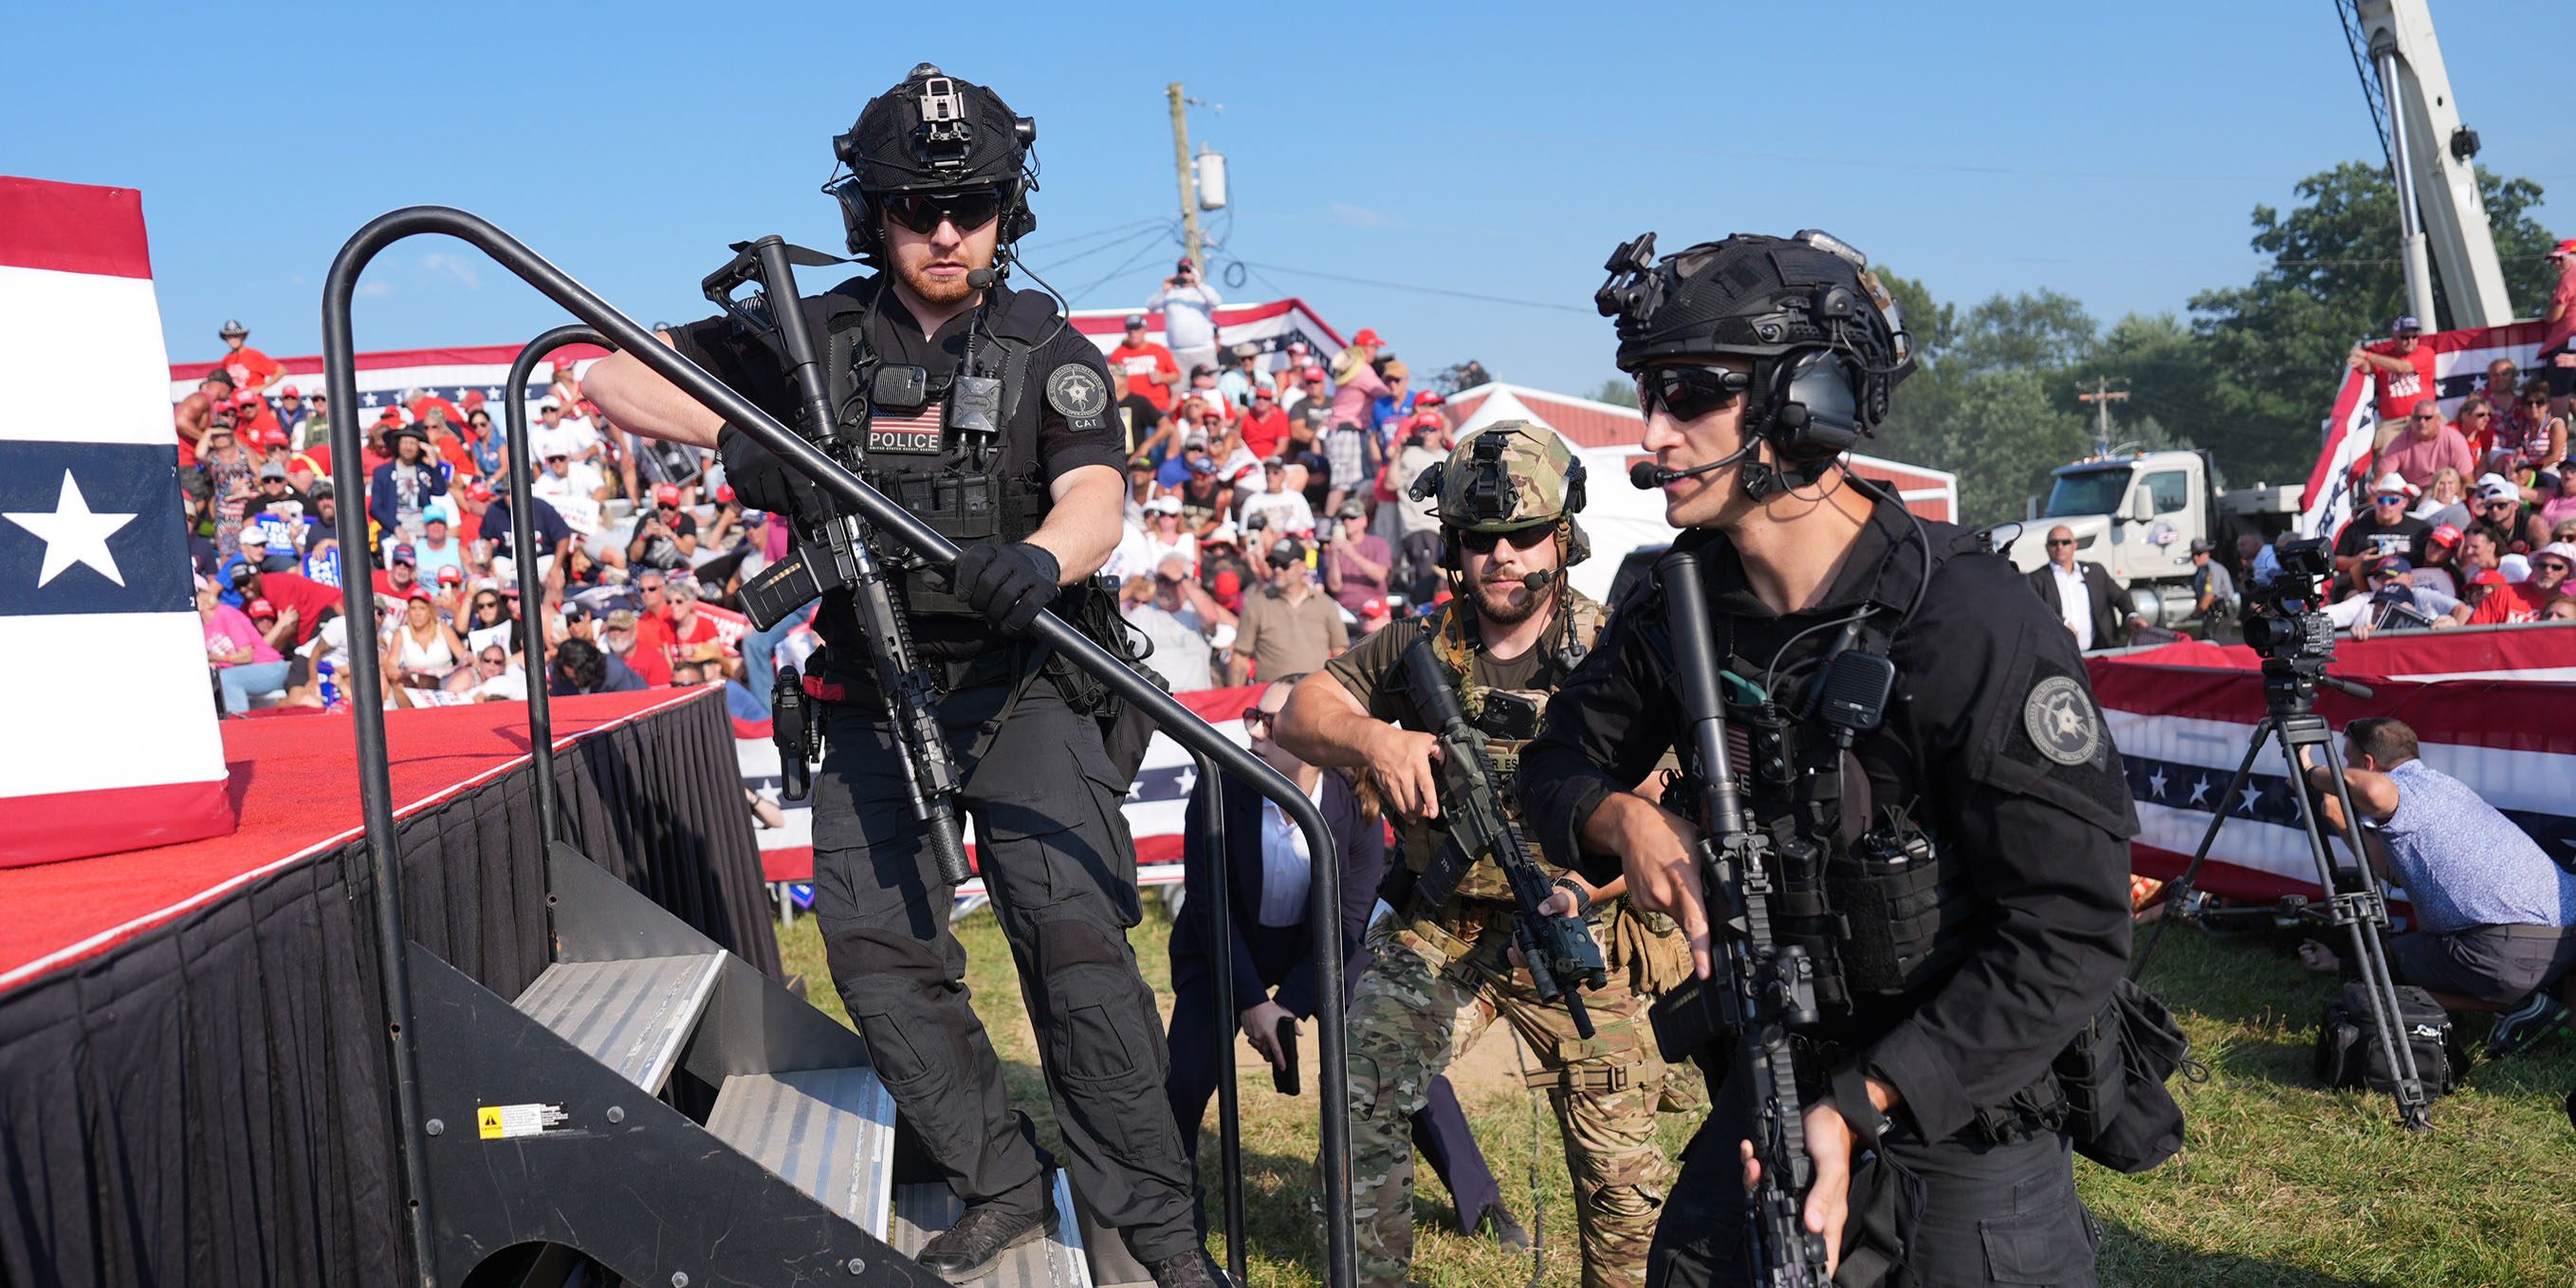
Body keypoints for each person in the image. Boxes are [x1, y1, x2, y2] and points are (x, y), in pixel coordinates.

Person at [580, 64, 1218, 1287]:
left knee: (1076, 952)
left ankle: (1157, 1237)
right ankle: (1000, 1180)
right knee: (875, 959)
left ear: (1005, 212)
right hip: (871, 693)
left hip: (1024, 682)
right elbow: (608, 373)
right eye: (915, 209)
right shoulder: (806, 333)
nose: (942, 231)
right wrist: (738, 433)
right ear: (867, 216)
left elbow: (1097, 494)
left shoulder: (1048, 349)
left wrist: (1038, 556)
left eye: (970, 206)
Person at [1524, 230, 2137, 1287]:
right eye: (1648, 395)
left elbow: (2071, 932)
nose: (1654, 434)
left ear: (1801, 400)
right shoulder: (1677, 604)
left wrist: (1861, 1104)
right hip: (1768, 1078)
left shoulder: (1970, 619)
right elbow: (1550, 769)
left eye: (1690, 396)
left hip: (1958, 1114)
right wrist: (1616, 816)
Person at [1275, 420, 1676, 1288]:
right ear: (1455, 546)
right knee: (1361, 1100)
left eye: (1524, 536)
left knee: (1623, 1178)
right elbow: (1300, 713)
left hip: (1579, 939)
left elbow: (1666, 805)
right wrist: (1376, 739)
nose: (1504, 558)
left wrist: (1592, 876)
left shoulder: (1617, 648)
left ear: (1561, 540)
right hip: (1443, 930)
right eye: (1482, 540)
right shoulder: (1418, 646)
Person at [1164, 679, 1522, 1247]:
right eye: (1252, 715)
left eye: (1269, 719)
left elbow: (1348, 920)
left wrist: (1292, 1003)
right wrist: (1255, 1001)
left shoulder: (1355, 806)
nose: (1252, 728)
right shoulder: (1219, 790)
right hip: (1227, 949)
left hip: (1326, 949)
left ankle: (1482, 1200)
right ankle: (1167, 1207)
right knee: (1184, 1071)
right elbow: (1211, 910)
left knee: (1395, 1049)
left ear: (1310, 735)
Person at [2294, 718, 2576, 1055]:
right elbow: (2395, 872)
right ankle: (2541, 1003)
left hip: (2503, 954)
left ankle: (2517, 1005)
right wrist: (2340, 819)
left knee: (2381, 968)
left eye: (2347, 760)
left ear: (2367, 764)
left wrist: (2311, 773)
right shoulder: (2443, 786)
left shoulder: (2401, 791)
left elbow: (2372, 790)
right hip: (2564, 944)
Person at [1226, 538, 1343, 686]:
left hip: (1314, 698)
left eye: (1284, 565)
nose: (1277, 570)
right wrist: (1236, 700)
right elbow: (1240, 658)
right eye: (1273, 564)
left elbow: (1340, 652)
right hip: (1269, 700)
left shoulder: (1325, 605)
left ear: (1303, 566)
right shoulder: (1257, 605)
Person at [2028, 524, 2144, 651]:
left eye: (2065, 542)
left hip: (2100, 652)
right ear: (2047, 547)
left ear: (2074, 545)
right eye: (2053, 543)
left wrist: (2131, 616)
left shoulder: (2095, 572)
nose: (2059, 547)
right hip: (2060, 656)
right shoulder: (2036, 579)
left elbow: (2121, 596)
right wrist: (2061, 623)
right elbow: (2033, 612)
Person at [197, 575, 289, 714]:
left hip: (269, 667)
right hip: (242, 672)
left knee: (227, 678)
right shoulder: (200, 626)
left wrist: (214, 658)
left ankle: (238, 722)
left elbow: (247, 656)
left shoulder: (224, 614)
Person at [2332, 473, 2434, 590]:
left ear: (2404, 503)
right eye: (2381, 499)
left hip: (2409, 586)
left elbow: (2432, 560)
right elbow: (2336, 561)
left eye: (2392, 501)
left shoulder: (2420, 529)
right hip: (2362, 588)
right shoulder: (2357, 527)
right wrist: (2356, 560)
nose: (2385, 505)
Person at [2351, 316, 2438, 450]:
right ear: (2395, 337)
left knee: (2444, 439)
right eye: (2405, 337)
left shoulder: (2425, 352)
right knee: (2384, 452)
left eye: (2414, 337)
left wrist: (2368, 356)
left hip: (2426, 418)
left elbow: (2403, 367)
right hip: (2392, 423)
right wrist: (2359, 361)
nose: (2410, 341)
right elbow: (2367, 368)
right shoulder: (2384, 357)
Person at [2377, 399, 2475, 491]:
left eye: (2427, 418)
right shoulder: (2400, 442)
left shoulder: (2454, 439)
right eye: (2417, 418)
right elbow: (2380, 482)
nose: (2422, 422)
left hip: (2449, 494)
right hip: (2414, 496)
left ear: (2438, 419)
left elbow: (2468, 481)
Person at [1149, 257, 1224, 375]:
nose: (1184, 274)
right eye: (1181, 271)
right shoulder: (1170, 293)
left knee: (1207, 388)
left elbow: (1216, 301)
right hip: (1177, 352)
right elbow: (1151, 306)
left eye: (1188, 271)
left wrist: (1197, 282)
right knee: (1178, 391)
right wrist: (1164, 289)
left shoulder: (1202, 291)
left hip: (1202, 350)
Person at [1319, 499, 1393, 616]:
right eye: (1343, 518)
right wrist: (1333, 555)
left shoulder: (1379, 544)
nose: (1347, 521)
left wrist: (1352, 554)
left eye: (1352, 517)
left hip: (1374, 608)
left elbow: (1380, 575)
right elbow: (1335, 586)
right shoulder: (1333, 548)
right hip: (1345, 609)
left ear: (1364, 521)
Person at [2187, 537, 2237, 642]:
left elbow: (2209, 596)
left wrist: (2193, 615)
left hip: (2220, 614)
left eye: (2199, 554)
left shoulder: (2211, 570)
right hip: (2212, 615)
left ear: (2207, 554)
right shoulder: (2202, 570)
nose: (2195, 557)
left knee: (2213, 643)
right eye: (2193, 554)